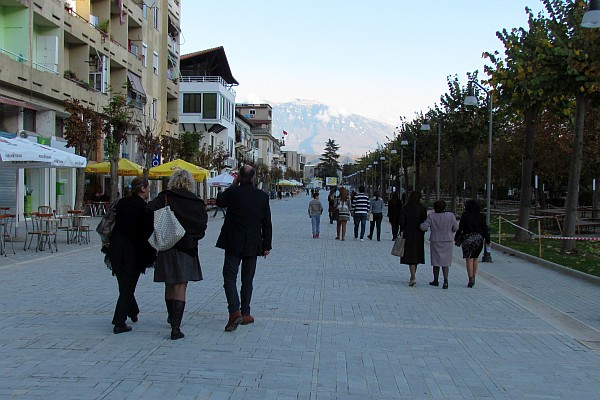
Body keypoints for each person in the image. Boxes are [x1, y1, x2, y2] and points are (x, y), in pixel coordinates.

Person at [147, 170, 208, 340]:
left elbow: (149, 210)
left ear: (172, 181)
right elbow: (202, 226)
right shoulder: (196, 201)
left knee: (170, 283)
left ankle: (170, 316)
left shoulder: (165, 197)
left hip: (167, 246)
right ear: (190, 182)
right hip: (187, 248)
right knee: (181, 285)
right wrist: (192, 237)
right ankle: (176, 327)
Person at [216, 165, 273, 332]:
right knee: (247, 279)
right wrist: (266, 245)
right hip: (253, 243)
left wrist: (234, 185)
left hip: (233, 242)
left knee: (229, 276)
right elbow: (266, 222)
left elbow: (220, 202)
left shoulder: (233, 193)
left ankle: (234, 311)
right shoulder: (262, 196)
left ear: (238, 177)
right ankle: (246, 313)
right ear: (254, 177)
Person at [106, 177, 155, 334]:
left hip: (116, 248)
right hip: (133, 251)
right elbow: (148, 232)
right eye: (148, 188)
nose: (149, 191)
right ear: (142, 189)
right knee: (128, 286)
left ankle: (133, 311)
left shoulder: (121, 203)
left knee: (123, 282)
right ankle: (119, 322)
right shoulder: (144, 208)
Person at [420, 200, 459, 289]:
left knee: (435, 261)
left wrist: (420, 225)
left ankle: (435, 280)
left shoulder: (431, 216)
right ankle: (445, 280)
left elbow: (424, 227)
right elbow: (456, 227)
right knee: (446, 262)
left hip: (436, 240)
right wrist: (450, 232)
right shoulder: (450, 215)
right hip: (447, 240)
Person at [455, 199, 490, 288]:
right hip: (479, 239)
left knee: (469, 259)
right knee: (475, 258)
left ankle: (470, 278)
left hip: (467, 239)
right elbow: (485, 228)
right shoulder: (482, 216)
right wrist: (487, 239)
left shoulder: (465, 215)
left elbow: (461, 228)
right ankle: (474, 276)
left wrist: (456, 238)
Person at [400, 191, 428, 286]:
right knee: (416, 254)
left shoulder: (405, 208)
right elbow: (424, 222)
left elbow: (402, 221)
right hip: (419, 234)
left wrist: (401, 230)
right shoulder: (423, 209)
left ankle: (412, 276)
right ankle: (413, 275)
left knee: (410, 255)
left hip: (408, 233)